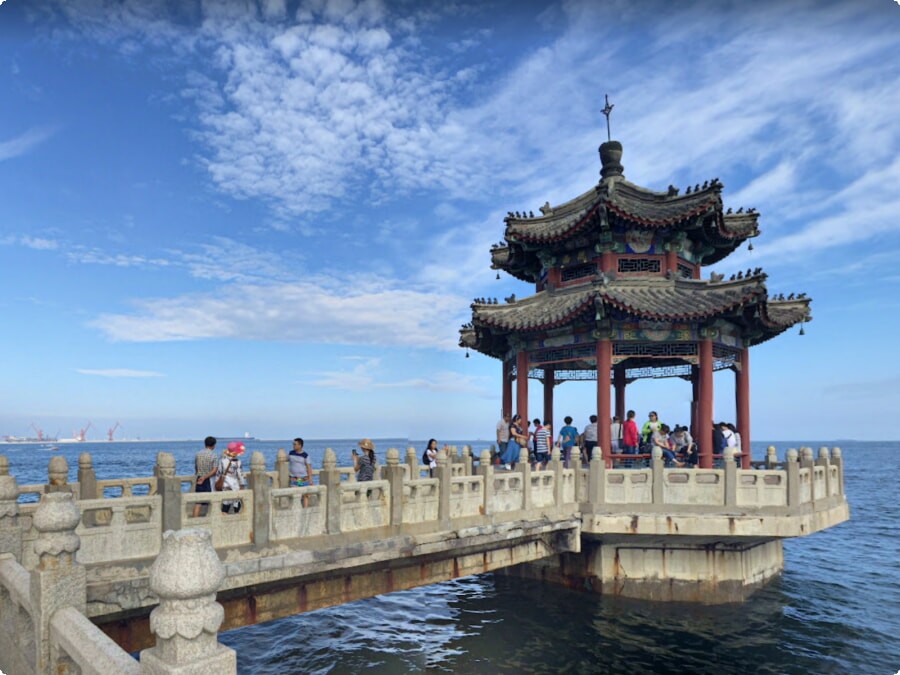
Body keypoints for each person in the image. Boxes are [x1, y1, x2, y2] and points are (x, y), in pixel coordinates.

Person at [218, 441, 247, 514]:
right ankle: (236, 519)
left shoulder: (222, 460)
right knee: (237, 504)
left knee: (225, 505)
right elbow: (240, 474)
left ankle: (224, 521)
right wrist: (242, 484)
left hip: (225, 485)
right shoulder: (238, 462)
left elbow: (219, 472)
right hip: (235, 485)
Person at [193, 436, 218, 517]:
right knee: (212, 500)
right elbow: (214, 470)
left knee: (198, 502)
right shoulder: (214, 455)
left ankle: (194, 520)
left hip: (199, 479)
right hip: (209, 480)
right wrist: (205, 477)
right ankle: (210, 519)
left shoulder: (198, 454)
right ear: (213, 445)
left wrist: (201, 476)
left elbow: (196, 468)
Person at [289, 437, 313, 506]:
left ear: (300, 445)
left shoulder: (305, 455)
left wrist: (310, 479)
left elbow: (309, 467)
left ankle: (305, 510)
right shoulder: (291, 453)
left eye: (295, 444)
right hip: (294, 478)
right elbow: (286, 460)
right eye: (293, 444)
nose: (293, 446)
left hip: (302, 479)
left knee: (305, 495)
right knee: (295, 496)